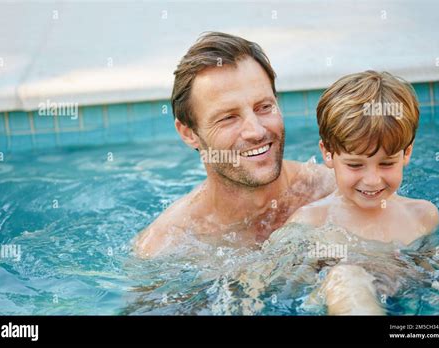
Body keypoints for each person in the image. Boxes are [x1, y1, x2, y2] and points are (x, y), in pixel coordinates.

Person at [134, 32, 335, 258]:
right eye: (228, 117)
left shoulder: (335, 191)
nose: (256, 131)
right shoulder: (167, 246)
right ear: (189, 133)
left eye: (264, 107)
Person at [282, 70, 439, 314]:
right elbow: (286, 290)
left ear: (406, 154)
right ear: (328, 154)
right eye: (355, 165)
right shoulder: (311, 222)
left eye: (387, 163)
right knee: (347, 277)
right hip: (343, 301)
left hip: (404, 300)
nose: (372, 180)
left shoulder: (423, 216)